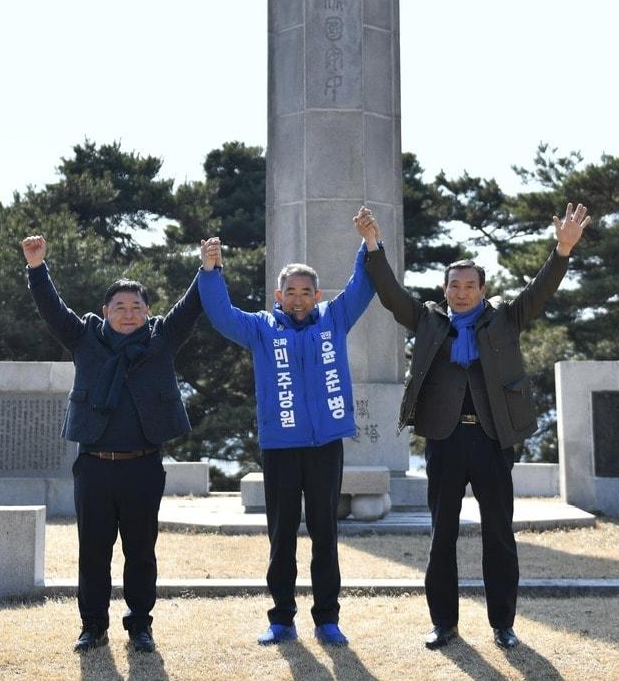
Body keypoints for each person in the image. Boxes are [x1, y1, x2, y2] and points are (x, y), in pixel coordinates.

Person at [356, 203, 591, 651]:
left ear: (483, 290)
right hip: (444, 440)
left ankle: (503, 623)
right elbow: (389, 294)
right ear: (444, 289)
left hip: (491, 439)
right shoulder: (428, 320)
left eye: (469, 286)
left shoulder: (503, 318)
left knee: (499, 534)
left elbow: (539, 292)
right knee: (441, 535)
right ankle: (443, 623)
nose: (461, 293)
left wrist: (562, 251)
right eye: (454, 286)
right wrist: (373, 245)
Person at [196, 207, 378, 647]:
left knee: (325, 535)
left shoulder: (334, 318)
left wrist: (369, 244)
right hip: (280, 446)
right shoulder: (261, 328)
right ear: (278, 297)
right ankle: (281, 619)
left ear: (317, 296)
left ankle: (327, 619)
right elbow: (222, 316)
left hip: (325, 446)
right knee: (282, 537)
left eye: (305, 291)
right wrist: (210, 270)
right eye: (289, 291)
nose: (297, 298)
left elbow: (363, 287)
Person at [21, 234, 203, 656]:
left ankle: (140, 625)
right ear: (105, 311)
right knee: (94, 552)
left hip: (143, 464)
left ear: (147, 312)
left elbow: (190, 308)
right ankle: (93, 626)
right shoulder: (85, 337)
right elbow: (52, 310)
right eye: (119, 306)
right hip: (94, 465)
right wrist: (37, 269)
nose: (127, 313)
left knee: (141, 551)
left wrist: (207, 268)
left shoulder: (161, 339)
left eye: (136, 306)